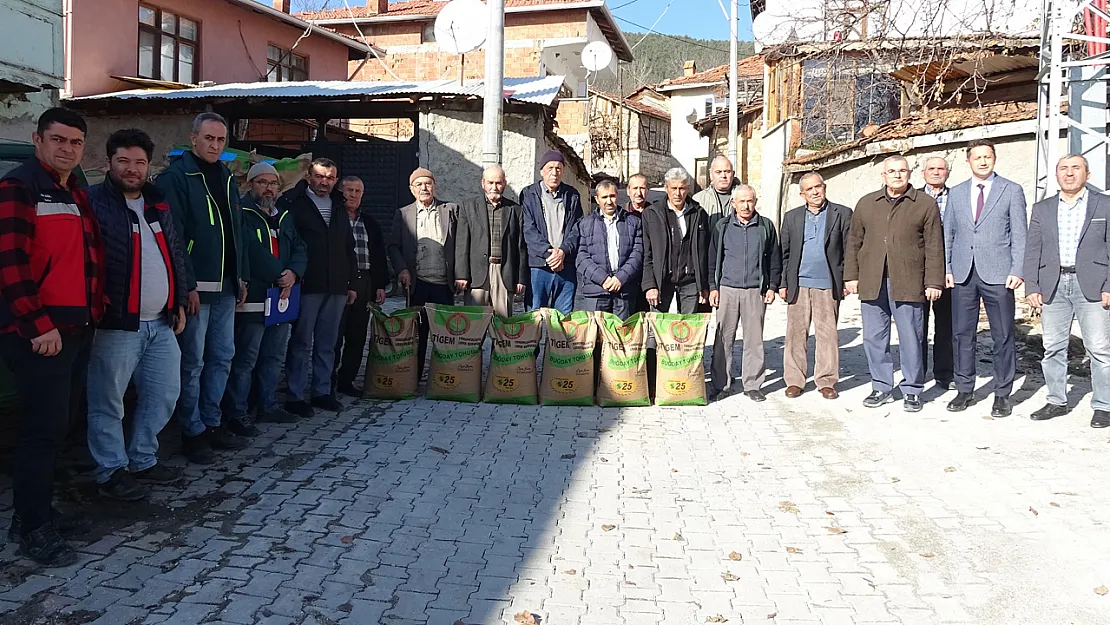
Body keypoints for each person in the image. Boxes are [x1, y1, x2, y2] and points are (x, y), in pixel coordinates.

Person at [0, 108, 104, 566]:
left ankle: (38, 511)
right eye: (58, 139)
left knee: (58, 426)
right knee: (40, 433)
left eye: (75, 142)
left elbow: (84, 261)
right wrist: (37, 324)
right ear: (38, 139)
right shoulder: (17, 187)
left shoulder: (74, 191)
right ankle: (31, 527)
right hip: (41, 333)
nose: (66, 149)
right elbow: (10, 265)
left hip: (76, 328)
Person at [85, 129, 188, 502]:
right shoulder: (93, 202)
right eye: (124, 161)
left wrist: (177, 298)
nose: (132, 169)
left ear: (149, 166)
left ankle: (143, 458)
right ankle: (110, 470)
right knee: (107, 400)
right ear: (109, 162)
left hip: (160, 323)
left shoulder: (156, 203)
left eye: (139, 162)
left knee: (164, 394)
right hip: (116, 324)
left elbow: (173, 252)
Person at [156, 112, 248, 464]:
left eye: (220, 140)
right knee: (192, 362)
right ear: (193, 138)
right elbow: (173, 236)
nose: (214, 145)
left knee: (222, 357)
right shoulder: (176, 178)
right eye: (208, 138)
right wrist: (186, 285)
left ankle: (212, 423)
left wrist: (241, 276)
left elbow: (235, 232)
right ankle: (191, 429)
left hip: (226, 286)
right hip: (197, 290)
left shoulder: (225, 176)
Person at [845, 154, 945, 413]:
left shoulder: (924, 204)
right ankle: (881, 386)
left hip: (909, 282)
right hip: (872, 281)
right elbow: (854, 242)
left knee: (911, 336)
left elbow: (935, 246)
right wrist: (851, 276)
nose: (897, 175)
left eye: (902, 171)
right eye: (892, 171)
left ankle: (912, 389)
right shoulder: (867, 204)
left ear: (910, 174)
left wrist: (934, 281)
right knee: (874, 338)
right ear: (883, 175)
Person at [1024, 154, 1110, 428]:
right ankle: (1056, 400)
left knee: (1098, 348)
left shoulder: (1104, 206)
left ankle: (1103, 405)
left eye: (1076, 168)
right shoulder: (1043, 209)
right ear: (1057, 174)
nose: (1069, 173)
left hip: (1093, 285)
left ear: (1088, 174)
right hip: (1054, 284)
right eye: (1063, 168)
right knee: (1052, 347)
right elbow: (1032, 250)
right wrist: (1032, 285)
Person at [943, 140, 1027, 418]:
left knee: (1002, 335)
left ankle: (1002, 393)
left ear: (994, 159)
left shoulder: (1011, 190)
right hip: (964, 273)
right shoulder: (956, 193)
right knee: (962, 334)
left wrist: (1017, 270)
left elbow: (1019, 234)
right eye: (977, 157)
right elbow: (949, 234)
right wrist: (947, 268)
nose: (982, 161)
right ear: (968, 161)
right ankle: (965, 388)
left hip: (999, 274)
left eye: (987, 156)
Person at [224, 163, 307, 427]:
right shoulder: (242, 212)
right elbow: (251, 249)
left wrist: (294, 273)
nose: (269, 188)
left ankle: (268, 406)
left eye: (273, 183)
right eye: (262, 182)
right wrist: (279, 273)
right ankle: (237, 412)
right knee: (246, 359)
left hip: (282, 298)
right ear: (250, 184)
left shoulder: (284, 215)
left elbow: (299, 247)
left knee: (274, 356)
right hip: (255, 298)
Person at [281, 158, 357, 418]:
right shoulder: (295, 203)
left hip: (336, 285)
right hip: (307, 283)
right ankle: (295, 395)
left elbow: (348, 246)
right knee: (301, 341)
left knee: (328, 342)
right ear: (309, 176)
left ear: (336, 180)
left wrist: (352, 282)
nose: (325, 181)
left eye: (330, 177)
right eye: (320, 176)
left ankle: (322, 392)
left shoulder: (338, 205)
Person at [778, 172, 852, 400]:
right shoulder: (792, 217)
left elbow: (850, 250)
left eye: (817, 187)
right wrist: (782, 284)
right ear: (802, 194)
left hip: (827, 283)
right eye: (809, 189)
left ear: (824, 187)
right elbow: (784, 254)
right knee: (795, 335)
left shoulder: (842, 213)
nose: (814, 192)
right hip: (798, 283)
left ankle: (826, 380)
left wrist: (847, 279)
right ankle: (794, 380)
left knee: (827, 335)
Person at [708, 185, 781, 401]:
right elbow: (712, 259)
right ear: (733, 203)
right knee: (723, 339)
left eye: (750, 201)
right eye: (742, 201)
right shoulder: (722, 227)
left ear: (755, 201)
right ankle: (721, 384)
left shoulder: (765, 226)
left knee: (754, 340)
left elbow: (774, 259)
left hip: (754, 291)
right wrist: (713, 288)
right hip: (727, 289)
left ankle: (753, 384)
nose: (746, 206)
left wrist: (773, 286)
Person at [389, 168, 458, 373]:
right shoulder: (403, 214)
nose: (424, 188)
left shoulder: (450, 210)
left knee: (445, 333)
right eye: (419, 184)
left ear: (434, 186)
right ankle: (414, 376)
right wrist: (401, 268)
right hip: (417, 283)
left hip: (443, 284)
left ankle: (444, 377)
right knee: (418, 334)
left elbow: (462, 243)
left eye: (428, 183)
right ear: (412, 189)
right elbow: (393, 246)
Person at [334, 175, 388, 396]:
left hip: (364, 281)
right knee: (335, 335)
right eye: (349, 190)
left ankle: (346, 381)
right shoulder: (334, 218)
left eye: (358, 191)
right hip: (339, 282)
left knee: (357, 337)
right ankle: (327, 381)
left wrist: (380, 284)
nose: (353, 195)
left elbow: (379, 255)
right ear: (340, 192)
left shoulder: (370, 222)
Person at [455, 165, 527, 318]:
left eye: (498, 183)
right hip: (477, 274)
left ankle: (499, 343)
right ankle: (474, 344)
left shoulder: (515, 210)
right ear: (483, 184)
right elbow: (461, 244)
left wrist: (520, 278)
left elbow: (520, 247)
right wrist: (461, 274)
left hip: (504, 272)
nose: (494, 187)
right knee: (474, 324)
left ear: (504, 184)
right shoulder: (468, 207)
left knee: (503, 325)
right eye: (490, 182)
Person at [641, 167, 710, 313]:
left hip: (689, 281)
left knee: (688, 329)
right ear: (666, 188)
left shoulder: (698, 213)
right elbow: (647, 253)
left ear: (688, 188)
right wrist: (650, 285)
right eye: (673, 188)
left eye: (682, 188)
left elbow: (704, 251)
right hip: (662, 280)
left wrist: (703, 284)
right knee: (657, 326)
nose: (678, 193)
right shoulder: (652, 214)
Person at [521, 151, 582, 315]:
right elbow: (528, 229)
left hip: (565, 265)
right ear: (542, 171)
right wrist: (549, 254)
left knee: (564, 318)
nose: (554, 173)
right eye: (550, 168)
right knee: (534, 317)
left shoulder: (572, 195)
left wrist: (562, 251)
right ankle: (533, 342)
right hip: (539, 266)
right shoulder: (529, 194)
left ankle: (555, 343)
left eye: (558, 168)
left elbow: (577, 228)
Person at [576, 180, 643, 319]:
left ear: (617, 196)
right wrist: (603, 279)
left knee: (622, 335)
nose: (609, 201)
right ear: (597, 199)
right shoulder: (585, 223)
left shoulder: (633, 222)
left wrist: (620, 278)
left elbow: (637, 254)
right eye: (604, 197)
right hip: (596, 290)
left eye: (612, 196)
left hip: (624, 289)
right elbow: (581, 257)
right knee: (595, 336)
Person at [921, 156, 955, 389]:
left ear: (947, 173)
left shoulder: (957, 199)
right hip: (918, 271)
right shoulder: (912, 198)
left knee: (947, 326)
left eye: (941, 169)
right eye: (931, 168)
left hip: (949, 272)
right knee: (916, 325)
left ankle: (945, 374)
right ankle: (917, 372)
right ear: (923, 172)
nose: (936, 172)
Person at [692, 155, 737, 229]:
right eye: (718, 172)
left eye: (727, 171)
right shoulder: (698, 200)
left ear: (733, 174)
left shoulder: (744, 198)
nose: (723, 176)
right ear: (711, 175)